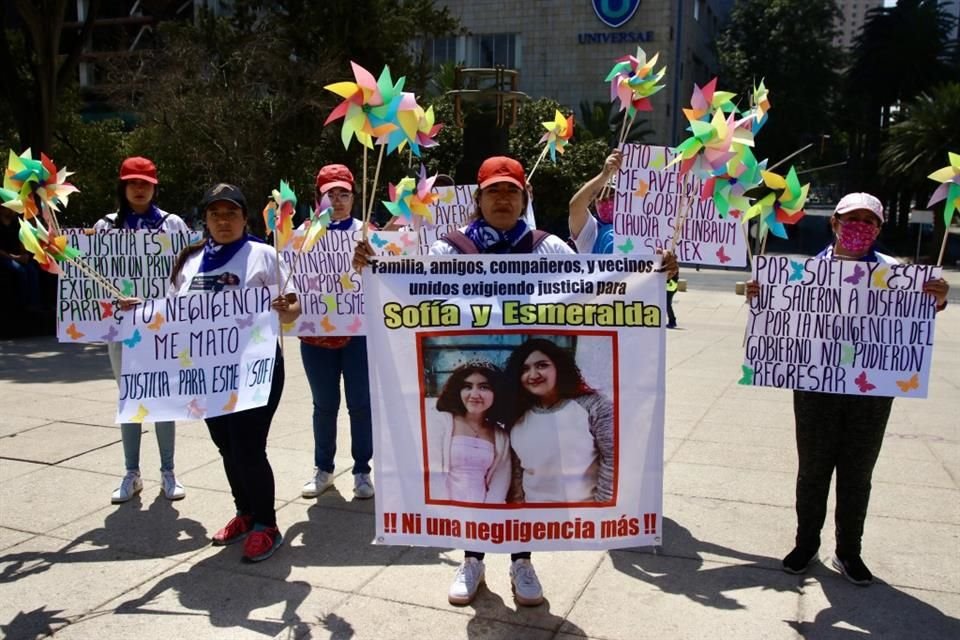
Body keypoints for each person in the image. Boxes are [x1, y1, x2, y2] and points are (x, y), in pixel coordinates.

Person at [355, 156, 567, 607]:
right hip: (479, 385)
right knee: (472, 476)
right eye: (495, 191)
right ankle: (472, 558)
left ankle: (520, 560)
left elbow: (602, 287)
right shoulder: (449, 250)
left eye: (512, 191)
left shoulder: (548, 248)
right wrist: (374, 271)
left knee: (519, 475)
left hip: (526, 390)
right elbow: (410, 293)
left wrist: (652, 274)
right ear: (479, 198)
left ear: (524, 199)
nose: (503, 199)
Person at [746, 192, 949, 585]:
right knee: (813, 470)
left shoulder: (897, 272)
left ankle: (848, 550)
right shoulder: (804, 273)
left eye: (869, 221)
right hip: (815, 388)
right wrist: (762, 296)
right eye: (851, 219)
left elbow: (923, 308)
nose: (860, 227)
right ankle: (806, 544)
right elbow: (781, 316)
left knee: (858, 473)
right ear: (834, 223)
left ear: (879, 228)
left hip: (872, 392)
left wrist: (938, 299)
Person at [169, 183, 300, 562]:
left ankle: (267, 525)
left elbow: (294, 310)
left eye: (231, 214)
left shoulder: (265, 255)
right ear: (205, 219)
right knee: (226, 445)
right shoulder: (189, 261)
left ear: (245, 218)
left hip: (256, 372)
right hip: (208, 375)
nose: (223, 221)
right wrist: (138, 310)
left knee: (248, 446)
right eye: (215, 214)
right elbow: (172, 312)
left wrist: (283, 309)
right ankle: (244, 512)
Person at [94, 156, 190, 504]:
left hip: (161, 326)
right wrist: (112, 300)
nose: (138, 188)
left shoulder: (173, 224)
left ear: (154, 186)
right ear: (123, 186)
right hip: (121, 329)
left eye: (145, 182)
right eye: (132, 182)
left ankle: (168, 471)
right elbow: (95, 279)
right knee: (129, 398)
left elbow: (186, 275)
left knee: (163, 398)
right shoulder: (106, 227)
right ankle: (132, 472)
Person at [299, 164, 375, 501]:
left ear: (354, 197)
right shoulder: (302, 235)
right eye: (331, 194)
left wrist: (375, 261)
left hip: (359, 334)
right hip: (315, 335)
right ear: (319, 199)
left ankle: (362, 471)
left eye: (344, 193)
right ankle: (324, 469)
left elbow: (389, 278)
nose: (338, 200)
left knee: (361, 405)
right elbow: (291, 279)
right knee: (324, 405)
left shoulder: (369, 233)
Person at [504, 338, 614, 503]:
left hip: (583, 520)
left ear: (559, 367)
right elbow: (517, 475)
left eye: (542, 365)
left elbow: (613, 460)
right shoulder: (516, 418)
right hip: (536, 521)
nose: (533, 375)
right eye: (525, 369)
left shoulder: (594, 407)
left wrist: (599, 513)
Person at [428, 360, 512, 504]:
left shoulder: (501, 436)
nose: (474, 394)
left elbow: (500, 483)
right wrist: (444, 513)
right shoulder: (441, 422)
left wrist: (486, 517)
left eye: (484, 387)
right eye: (467, 387)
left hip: (482, 518)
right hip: (444, 515)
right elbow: (432, 473)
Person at [568, 149, 622, 254]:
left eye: (612, 196)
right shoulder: (591, 232)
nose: (606, 200)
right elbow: (575, 207)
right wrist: (604, 175)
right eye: (600, 196)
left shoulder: (641, 230)